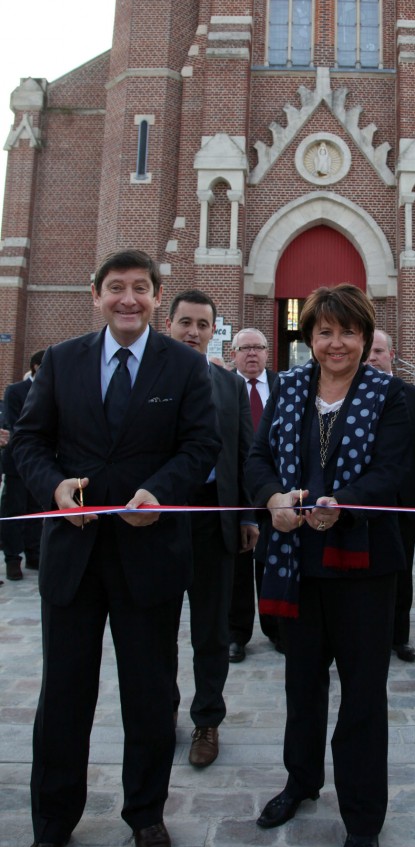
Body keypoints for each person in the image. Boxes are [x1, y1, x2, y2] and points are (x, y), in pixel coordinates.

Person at [12, 250, 221, 847]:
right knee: (64, 698)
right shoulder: (63, 360)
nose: (128, 299)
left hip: (148, 555)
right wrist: (52, 488)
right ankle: (51, 827)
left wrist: (163, 490)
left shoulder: (184, 366)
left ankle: (147, 817)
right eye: (115, 288)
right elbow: (28, 440)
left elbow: (201, 444)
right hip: (73, 557)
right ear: (95, 295)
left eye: (140, 289)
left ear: (157, 297)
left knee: (150, 695)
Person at [246, 284, 409, 847]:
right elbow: (257, 459)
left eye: (347, 331)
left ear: (365, 337)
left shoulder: (392, 396)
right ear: (308, 336)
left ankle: (362, 818)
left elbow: (393, 471)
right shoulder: (288, 389)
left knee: (363, 694)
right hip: (296, 564)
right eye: (323, 331)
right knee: (301, 682)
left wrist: (343, 502)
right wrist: (271, 499)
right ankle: (301, 781)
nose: (335, 342)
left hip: (363, 567)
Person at [166, 291, 257, 767]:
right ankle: (162, 717)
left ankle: (207, 721)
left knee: (210, 629)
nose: (193, 332)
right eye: (186, 322)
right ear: (170, 324)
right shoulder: (149, 376)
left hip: (213, 517)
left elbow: (243, 456)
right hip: (159, 520)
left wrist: (245, 514)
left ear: (213, 330)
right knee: (155, 629)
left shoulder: (229, 386)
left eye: (203, 324)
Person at [367, 328, 415, 662]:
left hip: (403, 499)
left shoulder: (414, 396)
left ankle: (398, 636)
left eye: (378, 351)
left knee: (402, 569)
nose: (372, 358)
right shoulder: (351, 394)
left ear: (392, 354)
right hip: (362, 501)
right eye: (368, 352)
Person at [229, 327, 279, 660]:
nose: (251, 354)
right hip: (234, 492)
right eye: (244, 348)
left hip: (273, 491)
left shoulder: (284, 386)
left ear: (267, 353)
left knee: (273, 562)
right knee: (237, 566)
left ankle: (277, 629)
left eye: (258, 347)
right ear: (233, 354)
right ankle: (236, 634)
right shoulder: (222, 386)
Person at [1, 349, 45, 580]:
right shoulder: (15, 391)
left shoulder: (53, 389)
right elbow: (14, 424)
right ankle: (12, 558)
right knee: (14, 510)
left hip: (43, 464)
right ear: (37, 367)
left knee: (36, 511)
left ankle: (34, 553)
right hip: (19, 462)